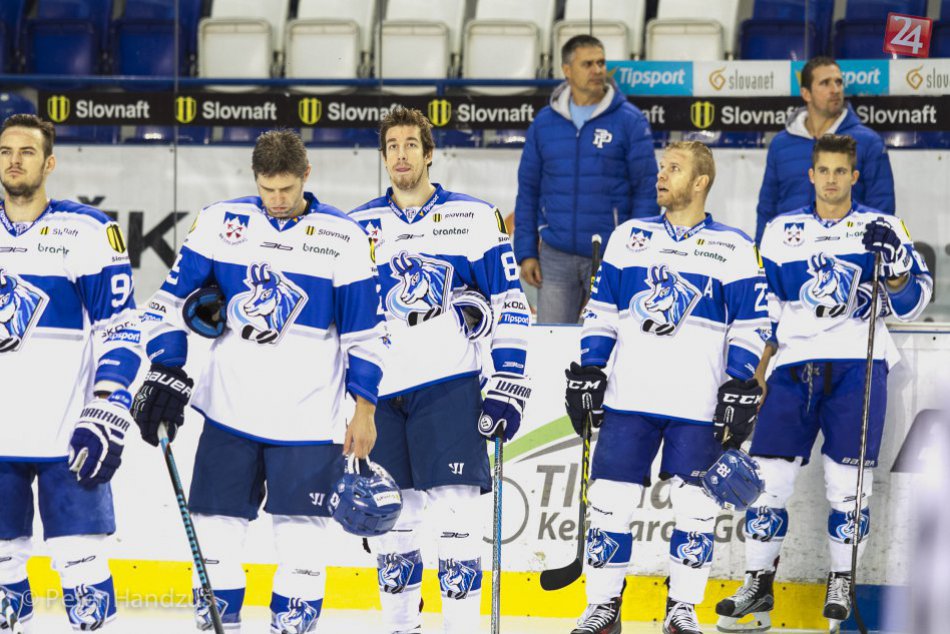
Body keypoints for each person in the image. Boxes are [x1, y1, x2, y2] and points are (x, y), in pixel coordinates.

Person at [132, 129, 386, 632]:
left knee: (302, 548)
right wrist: (167, 364)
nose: (277, 201)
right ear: (255, 180)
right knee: (216, 539)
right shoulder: (219, 223)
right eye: (268, 190)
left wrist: (365, 408)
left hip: (309, 423)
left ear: (307, 175)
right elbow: (163, 307)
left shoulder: (346, 238)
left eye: (287, 190)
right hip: (229, 414)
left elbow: (366, 337)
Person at [716, 134, 932, 632]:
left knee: (847, 487)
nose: (832, 179)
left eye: (842, 171)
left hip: (859, 363)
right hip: (793, 368)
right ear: (811, 175)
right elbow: (760, 308)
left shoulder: (882, 227)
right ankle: (757, 587)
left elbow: (914, 302)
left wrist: (896, 274)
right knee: (767, 484)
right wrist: (758, 369)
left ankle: (840, 582)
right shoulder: (779, 231)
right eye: (824, 171)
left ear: (855, 177)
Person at [564, 141, 769, 634]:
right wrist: (592, 367)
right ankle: (604, 606)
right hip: (628, 399)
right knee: (610, 502)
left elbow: (752, 323)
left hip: (698, 406)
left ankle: (681, 607)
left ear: (701, 182)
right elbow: (602, 312)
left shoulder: (734, 247)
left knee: (696, 509)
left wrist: (740, 380)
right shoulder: (627, 237)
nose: (662, 176)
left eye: (674, 169)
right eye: (661, 167)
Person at [349, 107, 532, 634]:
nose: (401, 154)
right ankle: (403, 627)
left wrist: (509, 382)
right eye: (392, 146)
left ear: (429, 153)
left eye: (411, 144)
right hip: (381, 396)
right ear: (383, 157)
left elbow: (510, 302)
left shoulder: (475, 218)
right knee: (391, 526)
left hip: (449, 389)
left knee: (456, 523)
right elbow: (349, 317)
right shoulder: (359, 227)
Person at [0, 114, 141, 631]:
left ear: (49, 162)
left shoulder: (87, 230)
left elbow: (121, 329)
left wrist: (107, 406)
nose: (14, 161)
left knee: (83, 579)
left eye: (27, 152)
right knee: (2, 582)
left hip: (67, 436)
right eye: (5, 151)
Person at [514, 34, 659, 324]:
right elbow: (528, 190)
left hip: (612, 257)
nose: (597, 70)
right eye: (588, 64)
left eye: (601, 63)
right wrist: (527, 252)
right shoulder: (544, 122)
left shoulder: (630, 120)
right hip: (555, 257)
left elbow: (646, 190)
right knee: (551, 348)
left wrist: (637, 252)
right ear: (567, 70)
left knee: (607, 349)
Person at [755, 56, 894, 244]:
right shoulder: (781, 144)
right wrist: (761, 253)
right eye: (825, 83)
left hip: (849, 252)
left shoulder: (869, 142)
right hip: (790, 252)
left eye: (838, 82)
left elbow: (882, 206)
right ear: (806, 94)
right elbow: (767, 206)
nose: (835, 90)